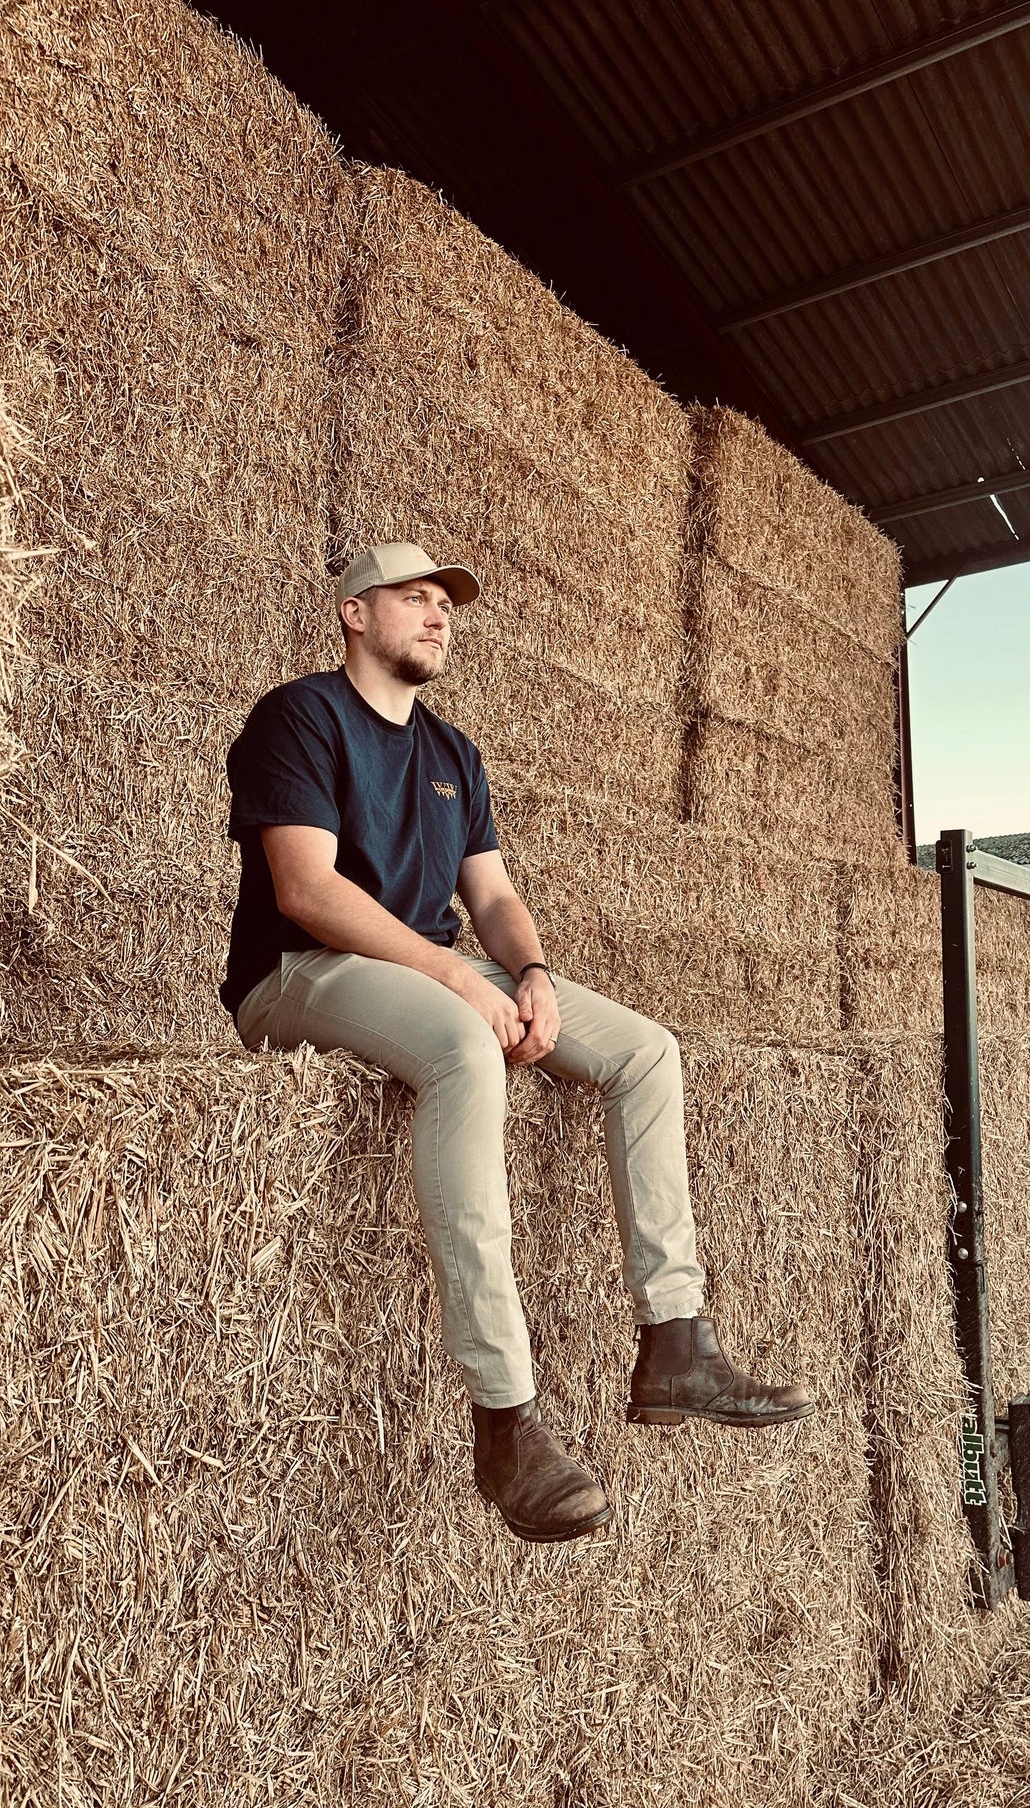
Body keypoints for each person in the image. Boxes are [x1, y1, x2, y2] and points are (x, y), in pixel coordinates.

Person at [220, 541, 813, 1545]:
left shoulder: (452, 753)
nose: (438, 615)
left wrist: (530, 972)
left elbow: (490, 897)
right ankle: (504, 1416)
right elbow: (307, 891)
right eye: (415, 598)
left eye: (446, 604)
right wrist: (457, 977)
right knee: (465, 1047)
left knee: (646, 1050)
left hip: (431, 965)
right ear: (354, 613)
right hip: (299, 971)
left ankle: (674, 1340)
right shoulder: (300, 716)